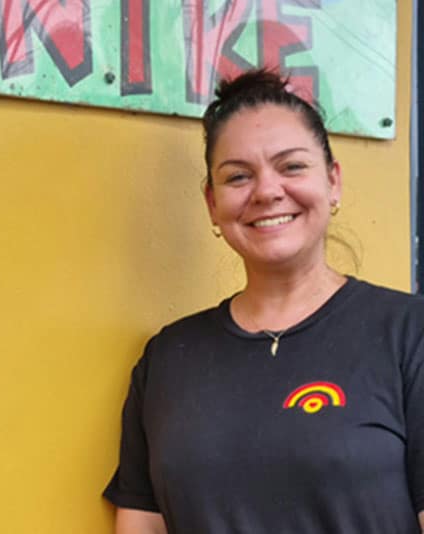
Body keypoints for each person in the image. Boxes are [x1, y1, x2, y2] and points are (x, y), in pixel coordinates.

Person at [103, 69, 424, 533]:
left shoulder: (407, 335)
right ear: (213, 203)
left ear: (333, 182)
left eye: (292, 166)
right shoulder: (168, 358)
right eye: (238, 176)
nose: (268, 191)